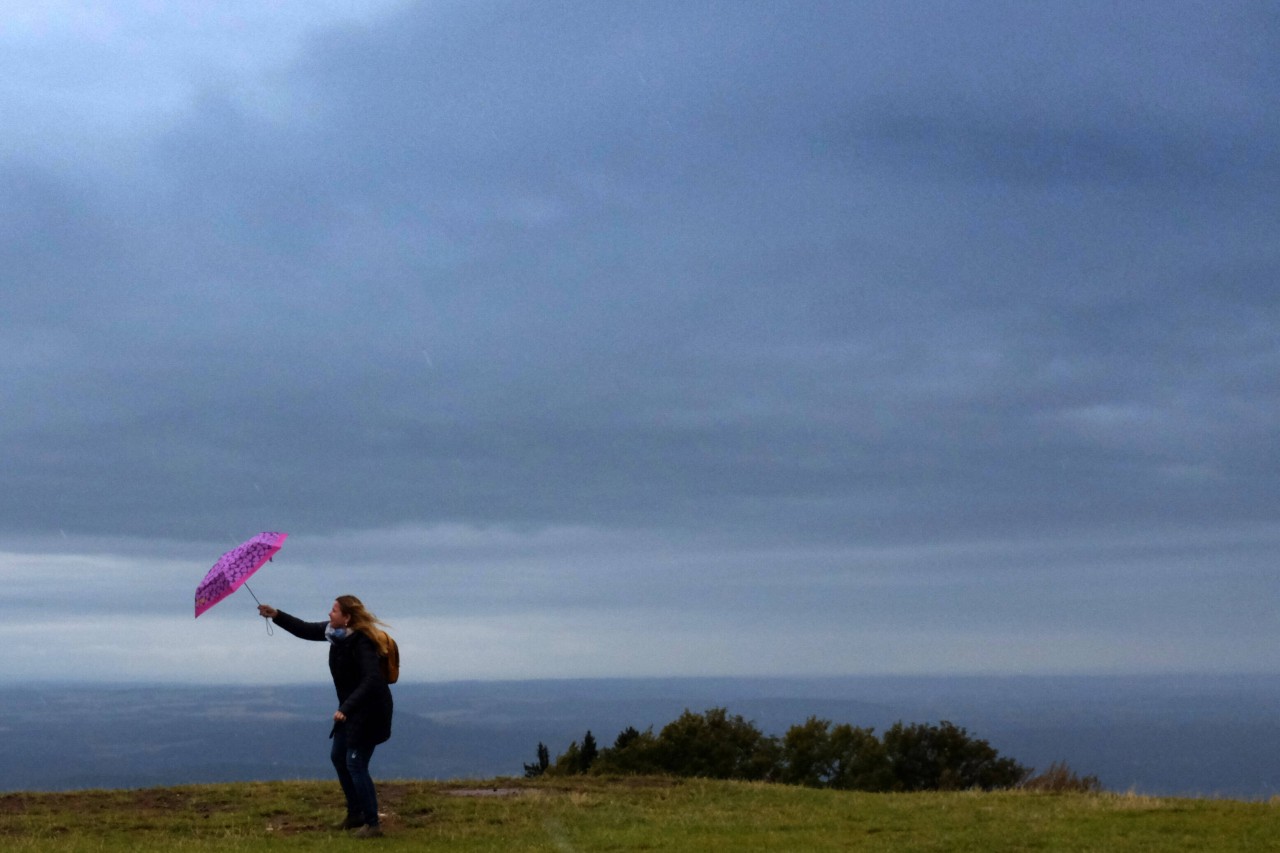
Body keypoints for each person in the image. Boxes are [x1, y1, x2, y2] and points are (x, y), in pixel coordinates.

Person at [258, 596, 394, 838]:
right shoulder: (335, 633)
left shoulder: (362, 641)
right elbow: (305, 629)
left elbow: (372, 680)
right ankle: (355, 814)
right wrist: (276, 614)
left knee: (356, 763)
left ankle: (372, 824)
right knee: (338, 757)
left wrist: (347, 708)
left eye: (334, 610)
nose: (329, 614)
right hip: (351, 710)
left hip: (370, 711)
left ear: (347, 617)